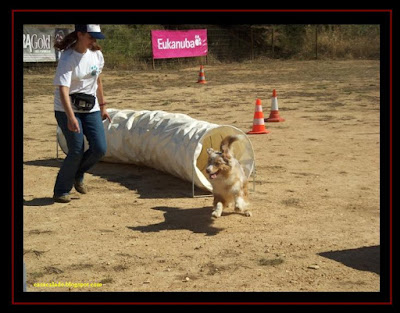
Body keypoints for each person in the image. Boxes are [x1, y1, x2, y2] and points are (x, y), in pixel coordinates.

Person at [53, 24, 110, 203]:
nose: (94, 40)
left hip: (90, 108)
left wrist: (103, 106)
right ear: (80, 34)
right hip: (67, 108)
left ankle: (77, 173)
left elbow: (97, 81)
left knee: (100, 148)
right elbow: (63, 89)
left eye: (96, 37)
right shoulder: (68, 58)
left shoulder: (97, 55)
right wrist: (70, 117)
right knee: (76, 149)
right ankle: (61, 190)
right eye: (91, 36)